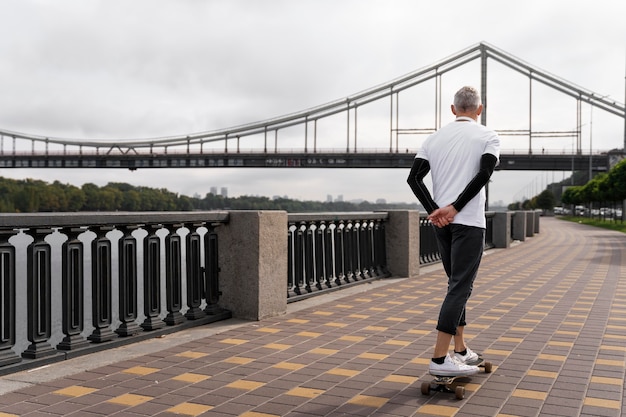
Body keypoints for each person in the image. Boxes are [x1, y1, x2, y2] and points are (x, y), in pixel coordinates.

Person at [406, 86, 500, 376]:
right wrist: (456, 207)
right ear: (479, 110)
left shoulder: (433, 138)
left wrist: (436, 210)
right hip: (468, 222)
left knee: (455, 287)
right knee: (460, 288)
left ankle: (460, 349)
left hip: (442, 225)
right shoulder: (488, 136)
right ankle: (439, 360)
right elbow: (484, 174)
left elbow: (413, 179)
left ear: (453, 109)